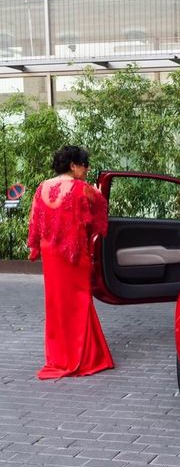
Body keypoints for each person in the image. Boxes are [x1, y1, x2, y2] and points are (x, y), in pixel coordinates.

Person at [27, 145, 114, 379]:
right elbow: (100, 205)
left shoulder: (42, 187)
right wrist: (96, 191)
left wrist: (35, 249)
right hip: (73, 253)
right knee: (79, 300)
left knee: (56, 304)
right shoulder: (81, 188)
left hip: (51, 253)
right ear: (73, 165)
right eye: (84, 165)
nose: (87, 169)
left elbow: (34, 223)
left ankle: (59, 356)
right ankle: (82, 357)